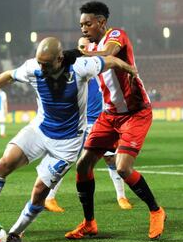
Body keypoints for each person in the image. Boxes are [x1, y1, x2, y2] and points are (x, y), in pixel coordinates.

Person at [0, 37, 137, 242]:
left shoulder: (82, 66)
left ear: (60, 59)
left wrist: (131, 70)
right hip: (39, 130)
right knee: (4, 163)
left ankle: (15, 233)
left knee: (40, 190)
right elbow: (8, 75)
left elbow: (111, 61)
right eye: (39, 62)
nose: (42, 67)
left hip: (67, 144)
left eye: (46, 64)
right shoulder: (33, 68)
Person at [65, 1, 166, 241]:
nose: (84, 28)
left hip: (136, 113)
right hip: (109, 115)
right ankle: (89, 223)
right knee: (83, 165)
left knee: (122, 167)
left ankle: (156, 211)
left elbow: (109, 54)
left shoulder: (115, 35)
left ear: (101, 22)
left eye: (88, 23)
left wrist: (79, 53)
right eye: (81, 25)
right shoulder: (91, 48)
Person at [44, 37, 132, 213]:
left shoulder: (97, 65)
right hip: (80, 123)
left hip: (100, 121)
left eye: (88, 46)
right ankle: (49, 197)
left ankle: (121, 196)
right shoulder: (73, 68)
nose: (85, 48)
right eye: (82, 46)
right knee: (66, 160)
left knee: (111, 159)